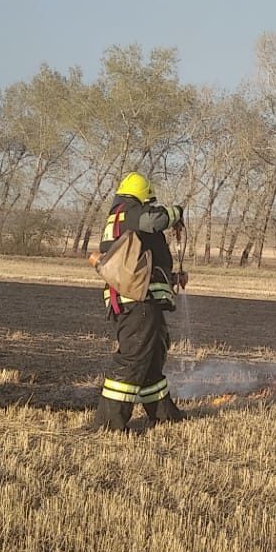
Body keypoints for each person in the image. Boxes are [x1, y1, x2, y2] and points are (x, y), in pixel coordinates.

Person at [87, 171, 188, 432]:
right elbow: (154, 220)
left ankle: (164, 414)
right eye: (150, 203)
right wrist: (177, 212)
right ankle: (109, 423)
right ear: (143, 198)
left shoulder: (124, 220)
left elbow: (140, 263)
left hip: (140, 300)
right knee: (132, 360)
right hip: (136, 302)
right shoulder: (129, 212)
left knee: (152, 359)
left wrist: (172, 278)